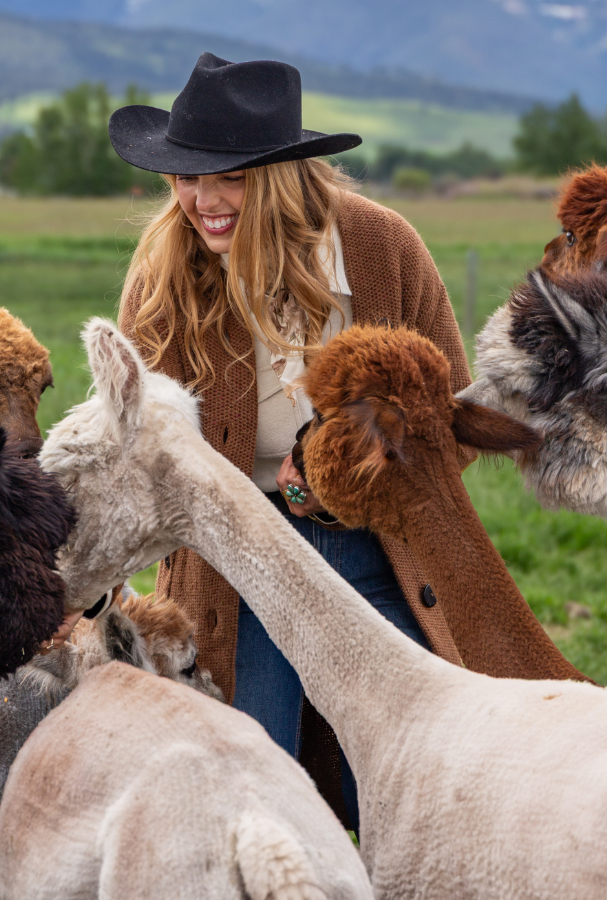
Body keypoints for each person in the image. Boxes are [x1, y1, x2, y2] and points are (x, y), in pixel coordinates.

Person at [107, 52, 474, 830]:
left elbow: (452, 422)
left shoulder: (384, 250)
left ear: (280, 175)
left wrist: (349, 483)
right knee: (253, 771)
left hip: (377, 546)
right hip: (237, 556)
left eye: (229, 178)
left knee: (421, 765)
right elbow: (137, 445)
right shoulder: (165, 273)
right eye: (184, 176)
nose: (202, 201)